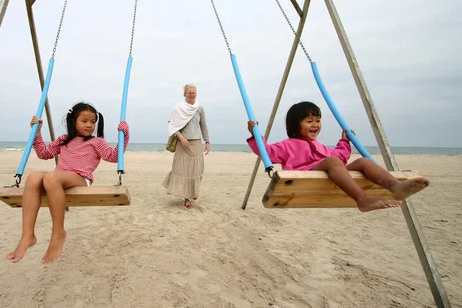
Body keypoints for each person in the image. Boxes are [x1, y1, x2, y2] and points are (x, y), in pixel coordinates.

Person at [247, 101, 429, 212]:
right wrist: (256, 134)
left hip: (330, 175)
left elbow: (340, 158)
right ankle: (362, 199)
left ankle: (395, 186)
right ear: (296, 126)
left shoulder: (322, 148)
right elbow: (268, 152)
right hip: (306, 178)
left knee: (364, 162)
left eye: (318, 120)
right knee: (332, 161)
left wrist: (345, 142)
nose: (315, 124)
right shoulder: (288, 145)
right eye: (309, 121)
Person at [6, 102, 129, 264]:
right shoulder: (64, 140)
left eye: (93, 121)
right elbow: (44, 153)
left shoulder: (96, 142)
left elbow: (113, 156)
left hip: (80, 178)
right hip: (59, 179)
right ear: (73, 121)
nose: (90, 125)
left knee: (51, 177)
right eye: (84, 121)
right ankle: (27, 235)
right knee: (34, 177)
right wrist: (37, 133)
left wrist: (124, 135)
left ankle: (58, 232)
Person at [162, 84, 210, 209]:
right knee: (184, 170)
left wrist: (207, 141)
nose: (192, 94)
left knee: (197, 169)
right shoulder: (178, 108)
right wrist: (181, 138)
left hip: (196, 143)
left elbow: (203, 125)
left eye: (193, 92)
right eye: (189, 92)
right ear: (184, 94)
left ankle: (192, 192)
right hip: (182, 143)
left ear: (196, 94)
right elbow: (172, 125)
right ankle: (186, 198)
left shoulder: (199, 107)